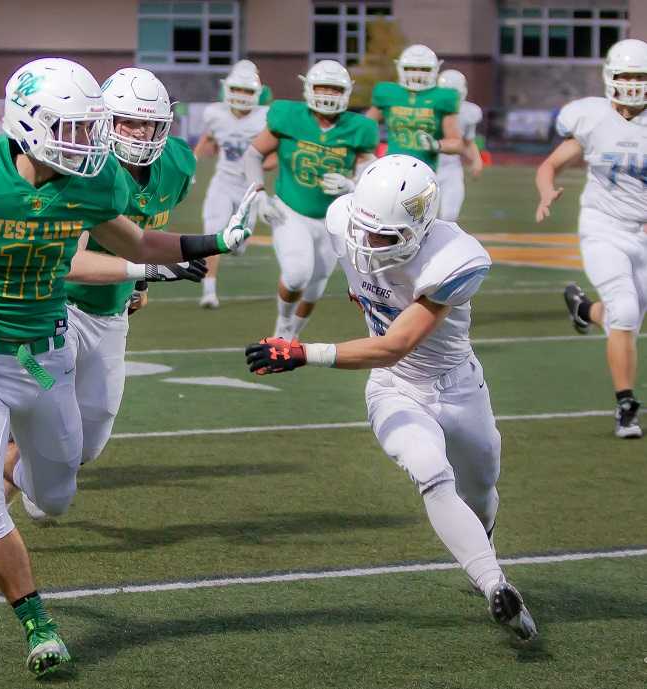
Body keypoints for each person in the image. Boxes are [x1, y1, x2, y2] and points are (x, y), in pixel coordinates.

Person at [0, 57, 252, 678]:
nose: (87, 142)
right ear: (28, 122)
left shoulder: (92, 182)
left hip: (46, 358)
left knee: (55, 497)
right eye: (74, 128)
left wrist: (215, 242)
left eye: (89, 128)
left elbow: (141, 243)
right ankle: (38, 625)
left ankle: (8, 473)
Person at [245, 154, 538, 643]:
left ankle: (480, 541)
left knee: (481, 495)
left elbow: (397, 342)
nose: (366, 244)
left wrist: (302, 352)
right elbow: (387, 354)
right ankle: (495, 586)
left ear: (420, 227)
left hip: (457, 386)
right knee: (431, 473)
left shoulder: (455, 258)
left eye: (383, 236)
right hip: (393, 386)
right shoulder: (345, 221)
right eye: (363, 228)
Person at [536, 38, 647, 439]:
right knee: (625, 310)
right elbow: (551, 164)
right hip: (603, 227)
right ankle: (626, 405)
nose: (633, 84)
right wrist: (547, 190)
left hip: (644, 234)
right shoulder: (592, 118)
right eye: (626, 75)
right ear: (610, 77)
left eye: (640, 76)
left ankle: (584, 311)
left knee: (625, 321)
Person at [246, 60, 379, 339]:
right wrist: (258, 193)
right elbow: (254, 154)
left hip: (335, 216)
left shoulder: (360, 128)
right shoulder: (288, 116)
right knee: (297, 274)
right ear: (309, 88)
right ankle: (283, 325)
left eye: (334, 89)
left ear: (345, 92)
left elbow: (372, 169)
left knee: (316, 284)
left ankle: (292, 336)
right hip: (291, 209)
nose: (328, 95)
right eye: (323, 88)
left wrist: (352, 183)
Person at [195, 60, 269, 309]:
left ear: (257, 93)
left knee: (239, 241)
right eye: (237, 89)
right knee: (214, 231)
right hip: (223, 182)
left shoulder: (265, 117)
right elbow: (210, 139)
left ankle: (238, 244)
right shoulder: (215, 114)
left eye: (247, 91)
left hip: (249, 186)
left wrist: (265, 164)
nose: (241, 95)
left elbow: (274, 150)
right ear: (228, 89)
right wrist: (193, 161)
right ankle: (209, 290)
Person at [365, 44, 464, 172]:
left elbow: (456, 143)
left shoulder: (443, 97)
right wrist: (369, 155)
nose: (417, 74)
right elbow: (365, 127)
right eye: (411, 68)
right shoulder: (388, 92)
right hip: (391, 166)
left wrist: (437, 144)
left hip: (424, 170)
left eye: (423, 69)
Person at [434, 69, 483, 222]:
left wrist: (477, 160)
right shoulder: (429, 107)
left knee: (449, 216)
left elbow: (468, 141)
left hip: (451, 168)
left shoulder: (469, 112)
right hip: (428, 164)